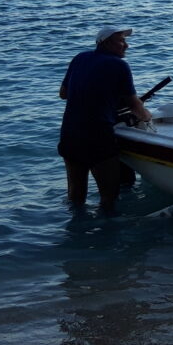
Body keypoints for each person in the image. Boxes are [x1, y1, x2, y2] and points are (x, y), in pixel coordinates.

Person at [58, 26, 152, 215]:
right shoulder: (119, 65)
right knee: (109, 197)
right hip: (97, 137)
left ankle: (77, 229)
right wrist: (147, 117)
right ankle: (107, 229)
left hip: (69, 134)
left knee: (75, 196)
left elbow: (63, 94)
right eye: (121, 41)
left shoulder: (80, 58)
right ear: (106, 43)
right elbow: (135, 105)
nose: (126, 45)